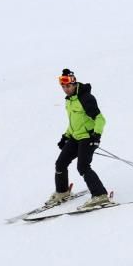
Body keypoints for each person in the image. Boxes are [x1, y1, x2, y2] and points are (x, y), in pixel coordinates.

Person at [46, 69, 111, 211]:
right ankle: (63, 191)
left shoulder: (85, 98)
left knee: (83, 166)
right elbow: (74, 122)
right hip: (76, 137)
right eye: (63, 87)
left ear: (74, 84)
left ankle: (100, 195)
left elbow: (100, 119)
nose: (65, 89)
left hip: (88, 138)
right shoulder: (70, 101)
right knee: (60, 164)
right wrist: (66, 136)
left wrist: (96, 136)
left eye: (68, 86)